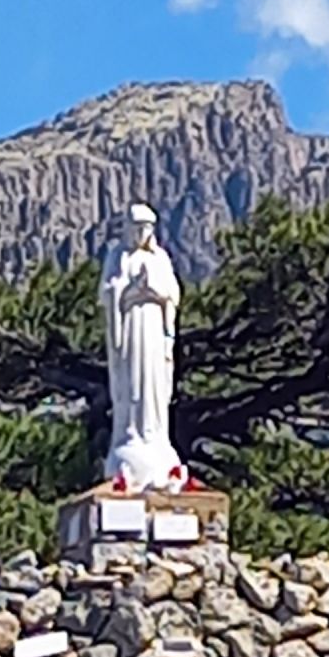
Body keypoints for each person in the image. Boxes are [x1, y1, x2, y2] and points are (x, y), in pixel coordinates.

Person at [100, 203, 184, 491]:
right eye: (135, 228)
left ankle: (155, 436)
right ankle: (131, 434)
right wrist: (129, 290)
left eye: (145, 229)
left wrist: (156, 291)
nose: (140, 234)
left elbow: (173, 293)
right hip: (132, 327)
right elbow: (108, 292)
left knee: (154, 385)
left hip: (154, 326)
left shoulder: (159, 258)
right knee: (133, 382)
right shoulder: (118, 256)